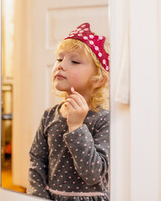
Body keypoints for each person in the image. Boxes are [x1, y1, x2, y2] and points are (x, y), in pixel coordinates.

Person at [27, 23, 110, 201]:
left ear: (99, 79)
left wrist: (77, 127)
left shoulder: (103, 120)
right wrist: (37, 197)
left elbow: (93, 174)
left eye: (74, 61)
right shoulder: (49, 116)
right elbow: (37, 161)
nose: (61, 65)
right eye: (59, 59)